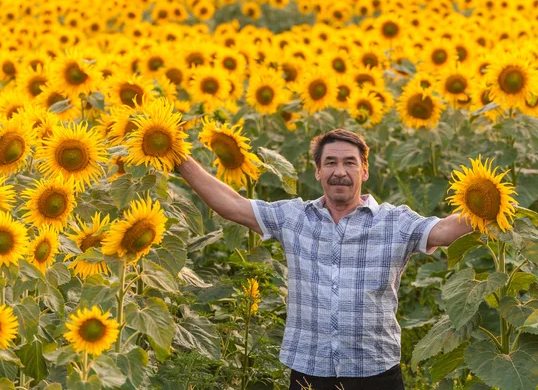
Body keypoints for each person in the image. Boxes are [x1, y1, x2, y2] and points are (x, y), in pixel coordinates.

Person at [177, 128, 473, 390]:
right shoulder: (294, 217)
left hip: (374, 370)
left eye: (349, 163)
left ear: (364, 171)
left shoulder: (395, 222)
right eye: (330, 162)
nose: (339, 171)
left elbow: (445, 231)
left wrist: (489, 208)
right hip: (310, 370)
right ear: (317, 171)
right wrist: (179, 158)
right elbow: (233, 206)